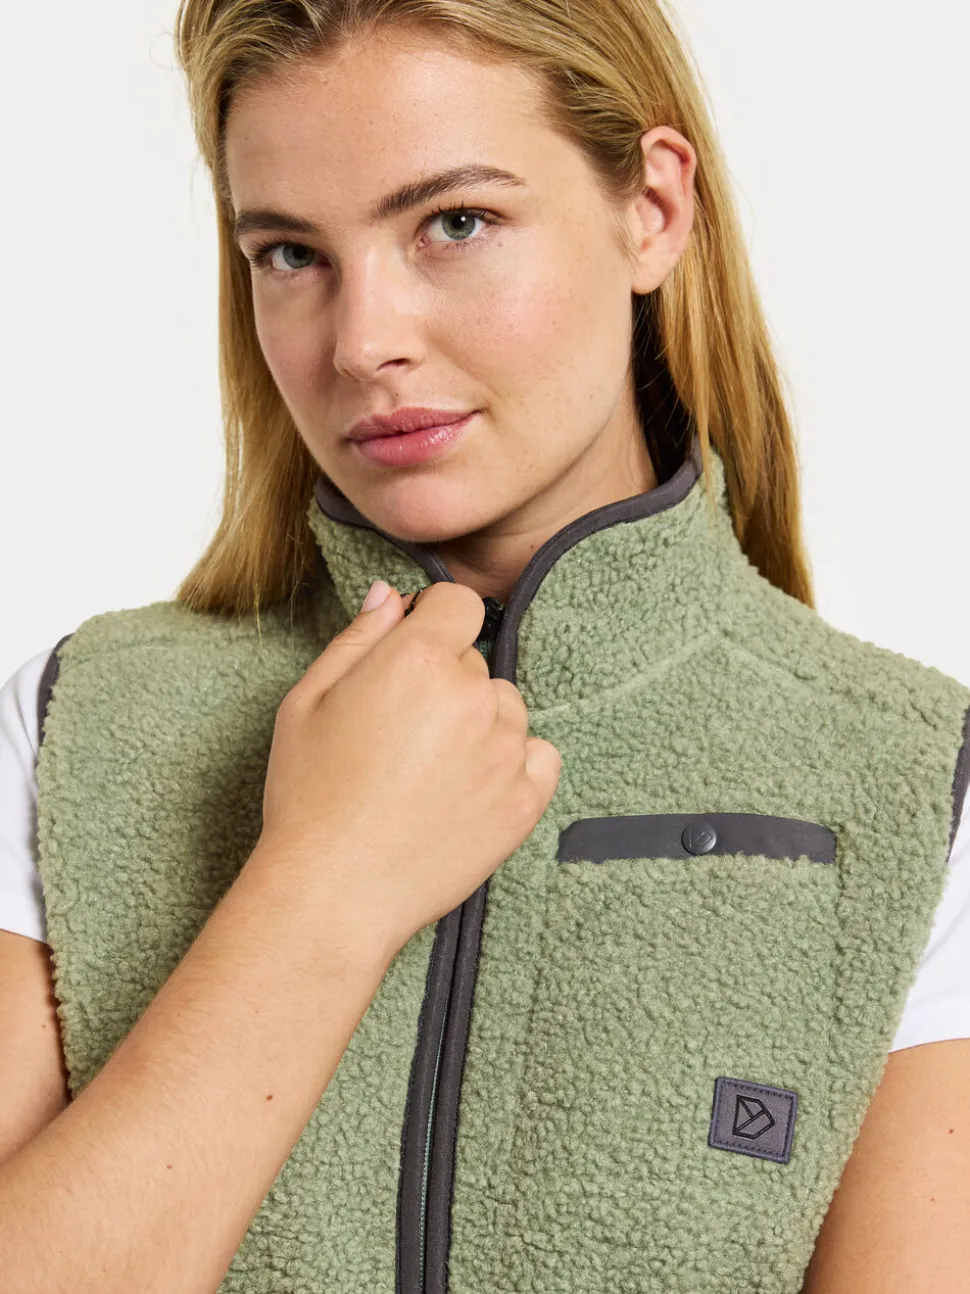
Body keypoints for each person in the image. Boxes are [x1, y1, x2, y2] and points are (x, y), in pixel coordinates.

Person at [0, 0, 968, 1290]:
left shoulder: (914, 784)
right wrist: (322, 888)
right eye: (291, 252)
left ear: (652, 210)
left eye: (454, 224)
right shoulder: (72, 727)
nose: (363, 342)